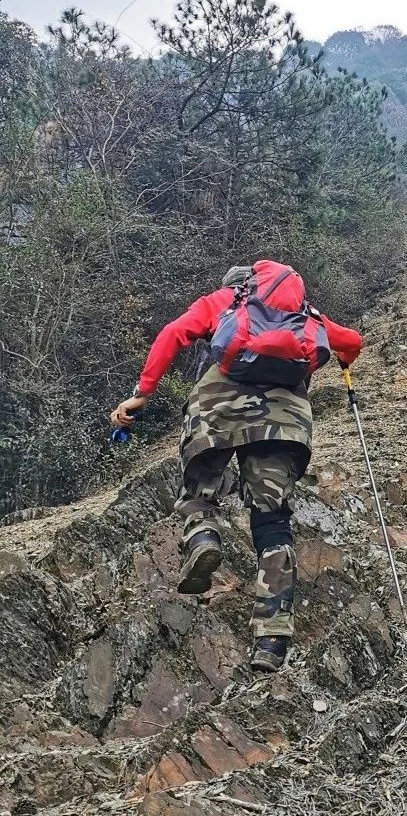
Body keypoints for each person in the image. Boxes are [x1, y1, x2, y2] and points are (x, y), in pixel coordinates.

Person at [110, 261, 362, 673]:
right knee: (272, 518)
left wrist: (142, 393)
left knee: (197, 493)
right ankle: (272, 639)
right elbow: (351, 341)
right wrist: (346, 361)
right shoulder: (306, 315)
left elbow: (172, 335)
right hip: (284, 419)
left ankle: (205, 538)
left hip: (216, 410)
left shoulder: (222, 301)